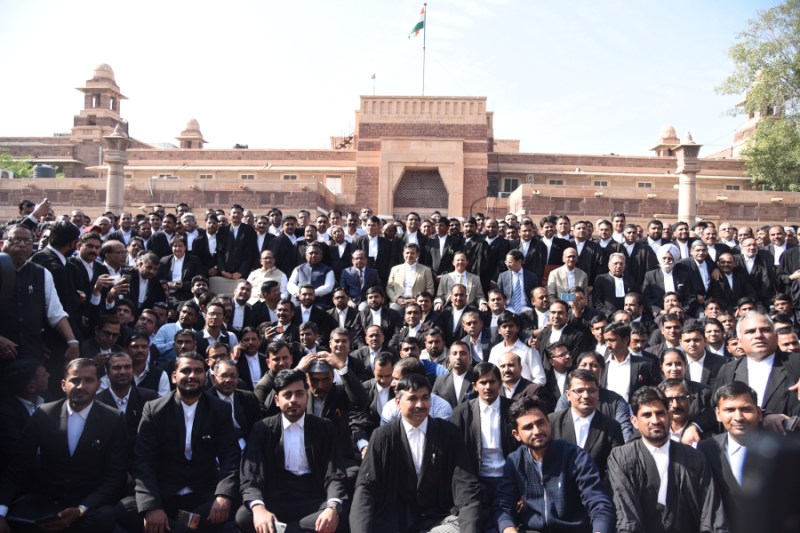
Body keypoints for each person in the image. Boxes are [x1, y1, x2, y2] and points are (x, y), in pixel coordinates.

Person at [116, 352, 241, 533]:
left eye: (198, 371)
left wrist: (223, 495)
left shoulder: (219, 409)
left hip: (203, 494)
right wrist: (152, 507)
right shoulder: (154, 409)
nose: (192, 376)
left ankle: (174, 526)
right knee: (125, 508)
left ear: (205, 377)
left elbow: (231, 455)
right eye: (186, 371)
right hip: (165, 495)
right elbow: (143, 461)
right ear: (174, 377)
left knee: (233, 503)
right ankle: (185, 527)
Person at [0, 358, 127, 532]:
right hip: (47, 501)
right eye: (75, 380)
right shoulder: (43, 414)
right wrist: (1, 511)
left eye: (88, 380)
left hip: (88, 504)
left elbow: (115, 475)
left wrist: (81, 509)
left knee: (104, 518)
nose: (81, 386)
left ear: (98, 385)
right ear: (63, 384)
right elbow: (18, 466)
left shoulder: (113, 419)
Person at [351, 373, 482, 533]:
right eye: (412, 399)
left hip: (440, 518)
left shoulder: (448, 434)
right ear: (398, 402)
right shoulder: (382, 436)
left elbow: (465, 485)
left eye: (425, 398)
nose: (420, 405)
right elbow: (366, 487)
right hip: (394, 520)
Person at [236, 368, 347, 533]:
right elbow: (250, 476)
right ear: (277, 400)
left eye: (299, 394)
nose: (293, 400)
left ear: (306, 396)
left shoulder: (324, 427)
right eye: (287, 395)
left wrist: (331, 508)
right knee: (244, 517)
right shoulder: (263, 429)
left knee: (339, 515)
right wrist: (259, 509)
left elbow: (335, 473)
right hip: (276, 498)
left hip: (314, 498)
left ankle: (284, 530)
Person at [607, 386, 727, 533]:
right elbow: (627, 515)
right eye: (646, 415)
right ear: (634, 421)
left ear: (669, 417)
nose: (655, 420)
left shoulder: (694, 457)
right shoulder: (621, 457)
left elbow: (711, 513)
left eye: (660, 413)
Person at [493, 395, 616, 533]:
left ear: (549, 423)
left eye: (541, 423)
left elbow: (598, 503)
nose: (537, 431)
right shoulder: (515, 461)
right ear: (516, 434)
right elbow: (502, 506)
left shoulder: (575, 457)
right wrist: (509, 529)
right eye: (528, 427)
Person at [450, 363, 517, 520]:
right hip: (477, 482)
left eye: (492, 382)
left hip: (508, 479)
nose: (488, 387)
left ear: (500, 384)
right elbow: (456, 455)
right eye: (483, 382)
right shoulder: (461, 413)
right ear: (474, 386)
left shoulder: (513, 409)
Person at [714, 311, 800, 432]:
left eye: (765, 330)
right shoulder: (728, 370)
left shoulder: (796, 363)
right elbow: (717, 409)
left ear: (775, 336)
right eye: (750, 331)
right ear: (739, 341)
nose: (758, 335)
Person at [698, 381, 763, 532]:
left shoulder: (777, 450)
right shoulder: (707, 450)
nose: (738, 417)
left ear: (759, 413)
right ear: (718, 414)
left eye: (746, 409)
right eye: (730, 410)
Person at [549, 368, 624, 476]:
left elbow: (616, 469)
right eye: (579, 391)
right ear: (568, 395)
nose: (586, 396)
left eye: (591, 390)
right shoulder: (552, 422)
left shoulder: (612, 427)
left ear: (598, 394)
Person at [209, 358, 261, 451]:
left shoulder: (248, 397)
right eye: (224, 376)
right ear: (213, 378)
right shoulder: (206, 401)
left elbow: (256, 426)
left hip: (246, 444)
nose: (228, 380)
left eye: (233, 376)